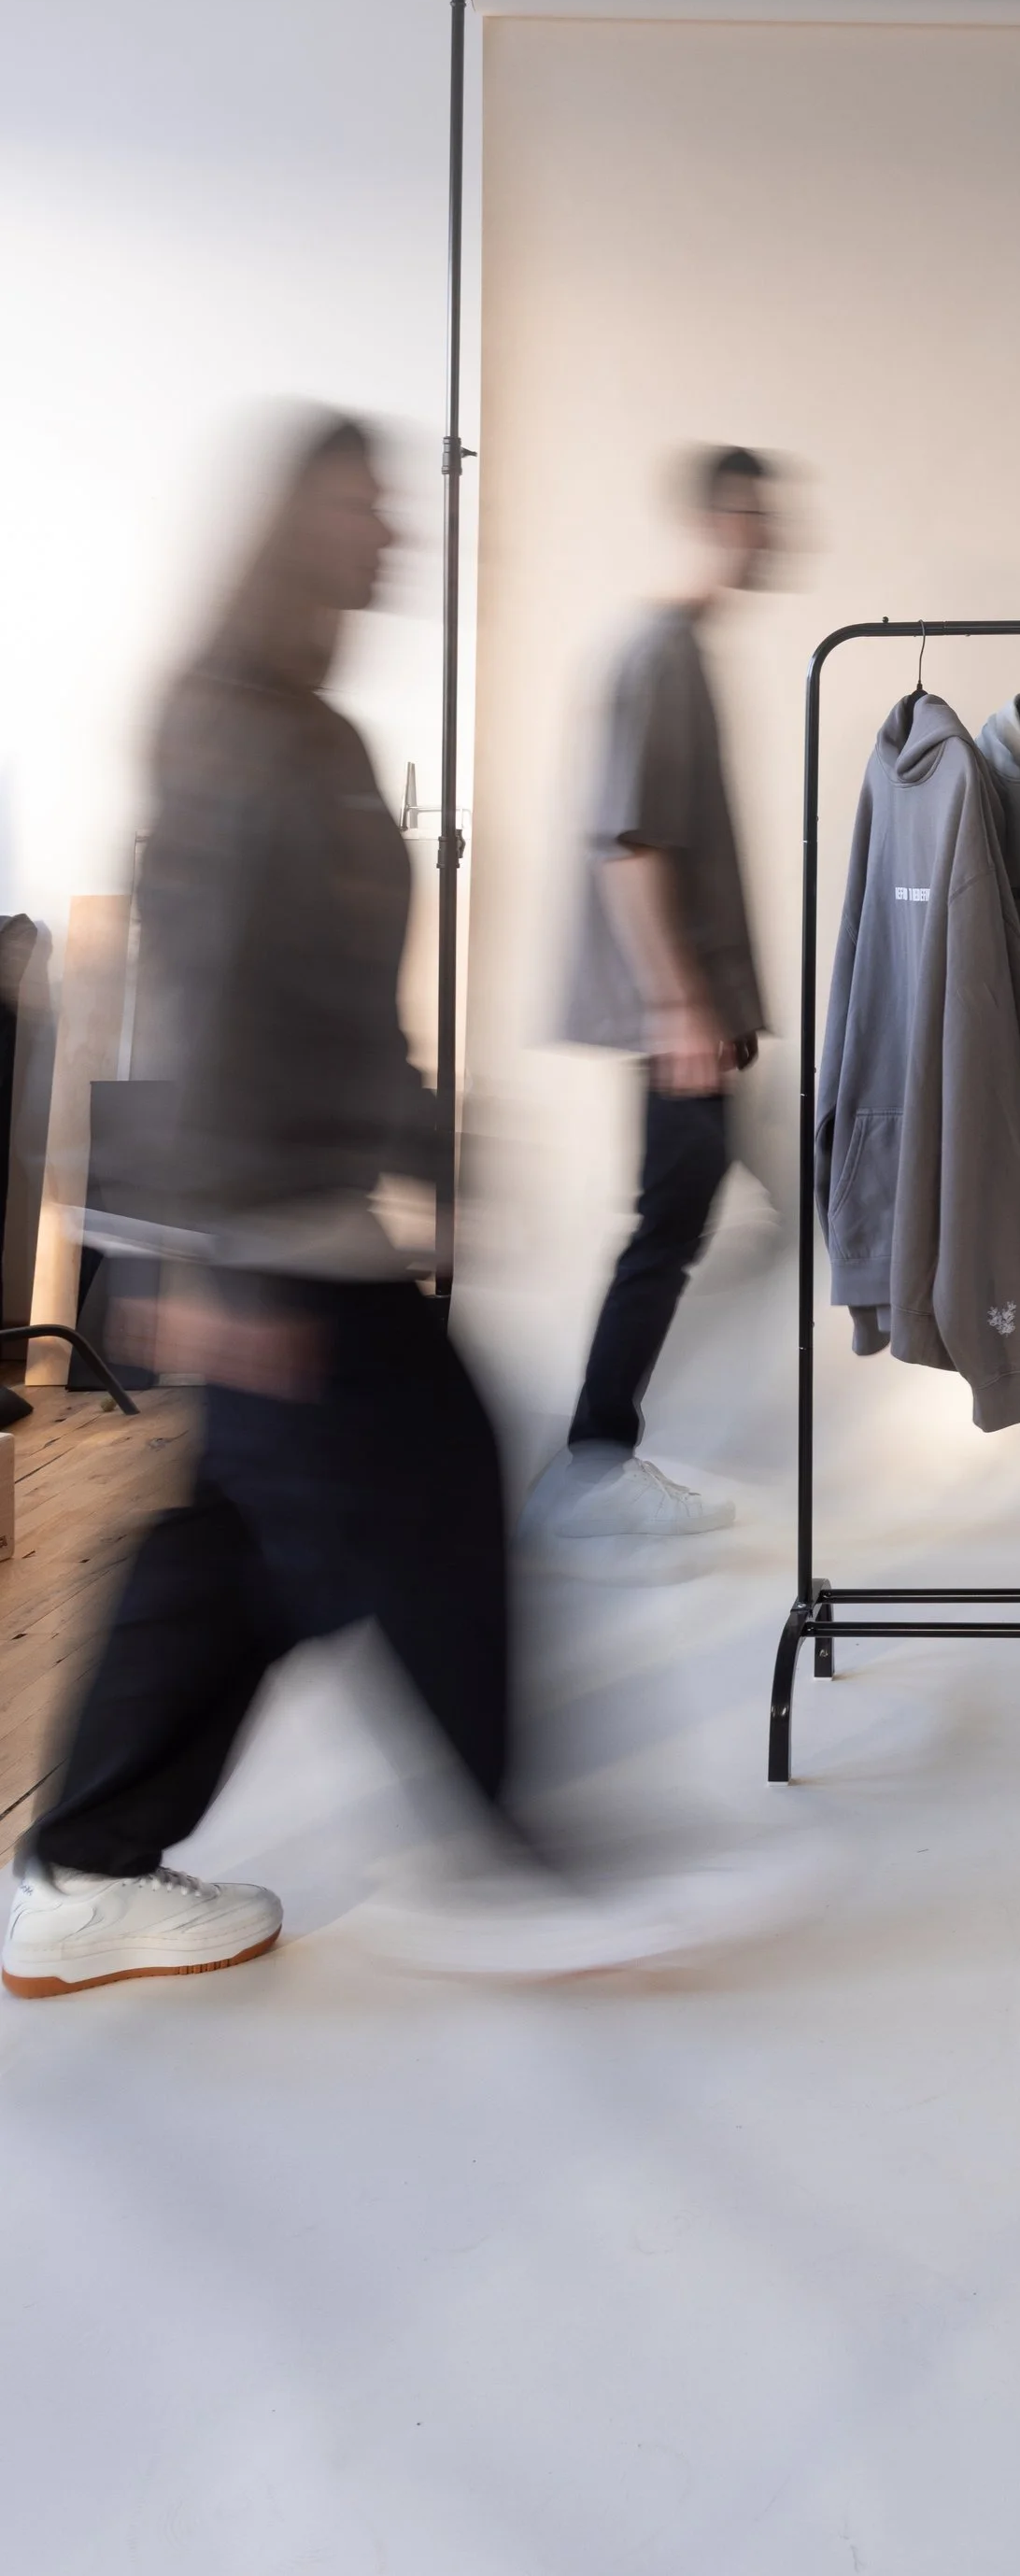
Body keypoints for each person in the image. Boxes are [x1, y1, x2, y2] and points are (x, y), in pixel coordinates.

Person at [4, 417, 672, 1994]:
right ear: (289, 527)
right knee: (428, 1481)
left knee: (242, 1546)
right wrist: (209, 1253)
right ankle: (516, 1865)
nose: (390, 531)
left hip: (289, 1214)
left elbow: (349, 1008)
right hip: (267, 1227)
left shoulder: (307, 729)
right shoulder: (241, 727)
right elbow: (205, 988)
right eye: (360, 503)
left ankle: (86, 1864)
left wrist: (433, 1164)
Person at [522, 446, 790, 1573]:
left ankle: (595, 1455)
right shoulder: (658, 654)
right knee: (671, 1228)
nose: (771, 533)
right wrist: (679, 1006)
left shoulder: (681, 651)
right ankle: (591, 1462)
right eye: (756, 514)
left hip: (696, 1007)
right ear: (716, 517)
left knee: (714, 1213)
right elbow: (629, 844)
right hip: (673, 1011)